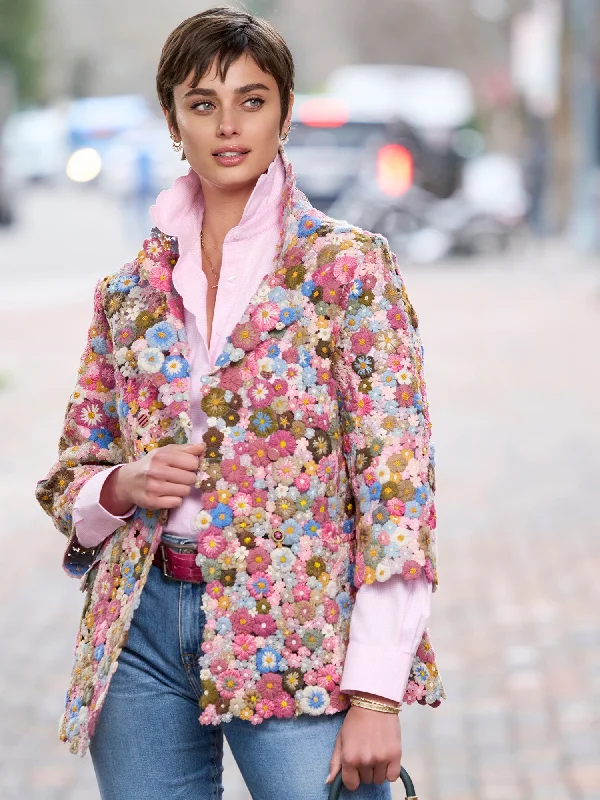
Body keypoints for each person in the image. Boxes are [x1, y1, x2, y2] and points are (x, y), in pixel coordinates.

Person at [35, 8, 445, 799]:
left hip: (298, 636)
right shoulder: (127, 293)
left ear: (286, 112)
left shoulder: (346, 270)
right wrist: (121, 485)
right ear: (172, 121)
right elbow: (71, 477)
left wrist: (375, 690)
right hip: (141, 633)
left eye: (252, 101)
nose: (228, 125)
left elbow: (397, 492)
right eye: (202, 103)